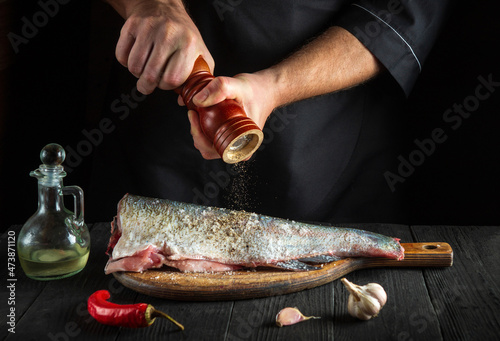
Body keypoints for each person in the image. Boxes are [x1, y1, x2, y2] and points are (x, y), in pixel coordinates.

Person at [87, 0, 450, 224]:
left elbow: (401, 10)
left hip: (321, 159)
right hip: (159, 148)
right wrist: (152, 5)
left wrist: (272, 87)